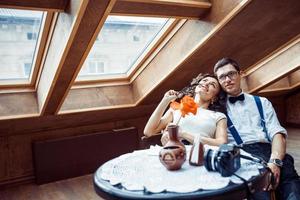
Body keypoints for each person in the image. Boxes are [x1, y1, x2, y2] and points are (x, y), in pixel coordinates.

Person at [213, 57, 300, 200]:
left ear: (240, 74)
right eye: (222, 77)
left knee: (293, 188)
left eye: (231, 74)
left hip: (269, 151)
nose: (227, 79)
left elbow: (277, 133)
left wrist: (275, 161)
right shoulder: (216, 109)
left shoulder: (262, 102)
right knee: (261, 194)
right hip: (241, 156)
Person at [143, 73, 228, 146]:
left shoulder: (218, 116)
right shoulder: (177, 108)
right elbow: (149, 132)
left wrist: (183, 134)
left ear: (215, 98)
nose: (206, 84)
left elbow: (222, 143)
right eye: (204, 81)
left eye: (212, 85)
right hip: (174, 154)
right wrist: (165, 101)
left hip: (200, 156)